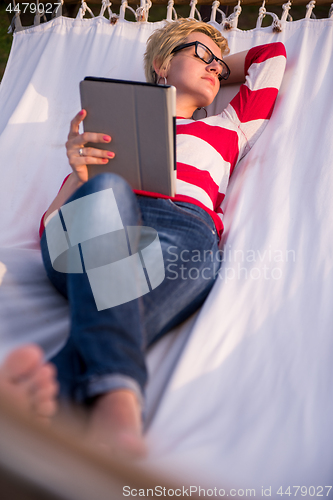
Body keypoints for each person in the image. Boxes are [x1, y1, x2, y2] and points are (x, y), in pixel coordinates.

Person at [7, 19, 287, 454]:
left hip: (180, 229)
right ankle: (118, 398)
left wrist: (205, 59)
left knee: (168, 243)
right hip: (93, 229)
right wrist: (79, 176)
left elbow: (270, 57)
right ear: (161, 64)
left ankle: (56, 388)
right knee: (108, 188)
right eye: (201, 55)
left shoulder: (230, 127)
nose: (214, 67)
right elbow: (51, 226)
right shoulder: (109, 133)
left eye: (219, 62)